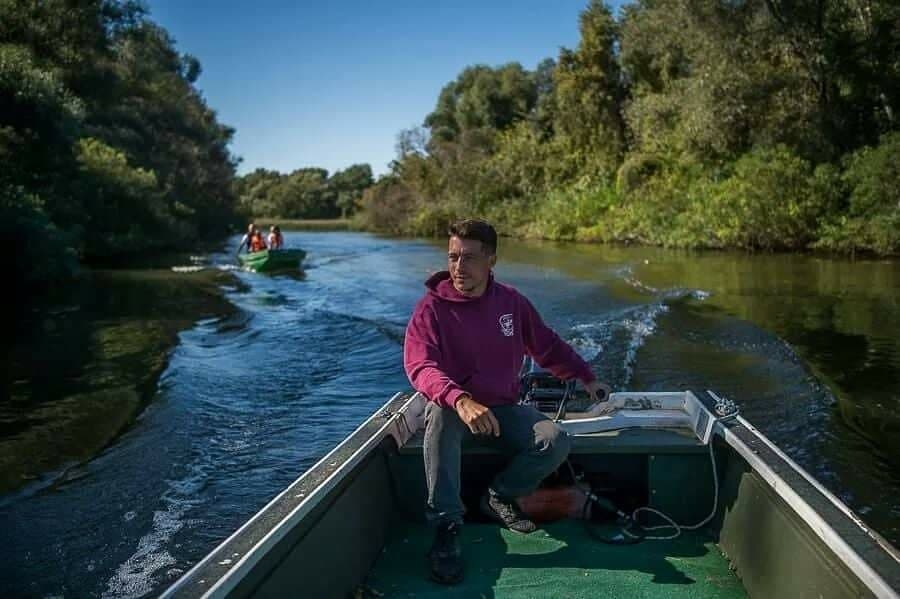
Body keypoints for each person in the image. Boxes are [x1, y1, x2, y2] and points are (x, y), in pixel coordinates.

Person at [403, 218, 612, 585]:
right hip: (454, 409)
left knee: (554, 440)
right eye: (453, 257)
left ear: (492, 261)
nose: (458, 267)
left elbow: (546, 345)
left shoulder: (512, 303)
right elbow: (420, 366)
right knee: (439, 415)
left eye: (469, 258)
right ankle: (447, 525)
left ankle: (499, 495)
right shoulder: (430, 309)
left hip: (503, 408)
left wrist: (586, 376)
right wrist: (460, 399)